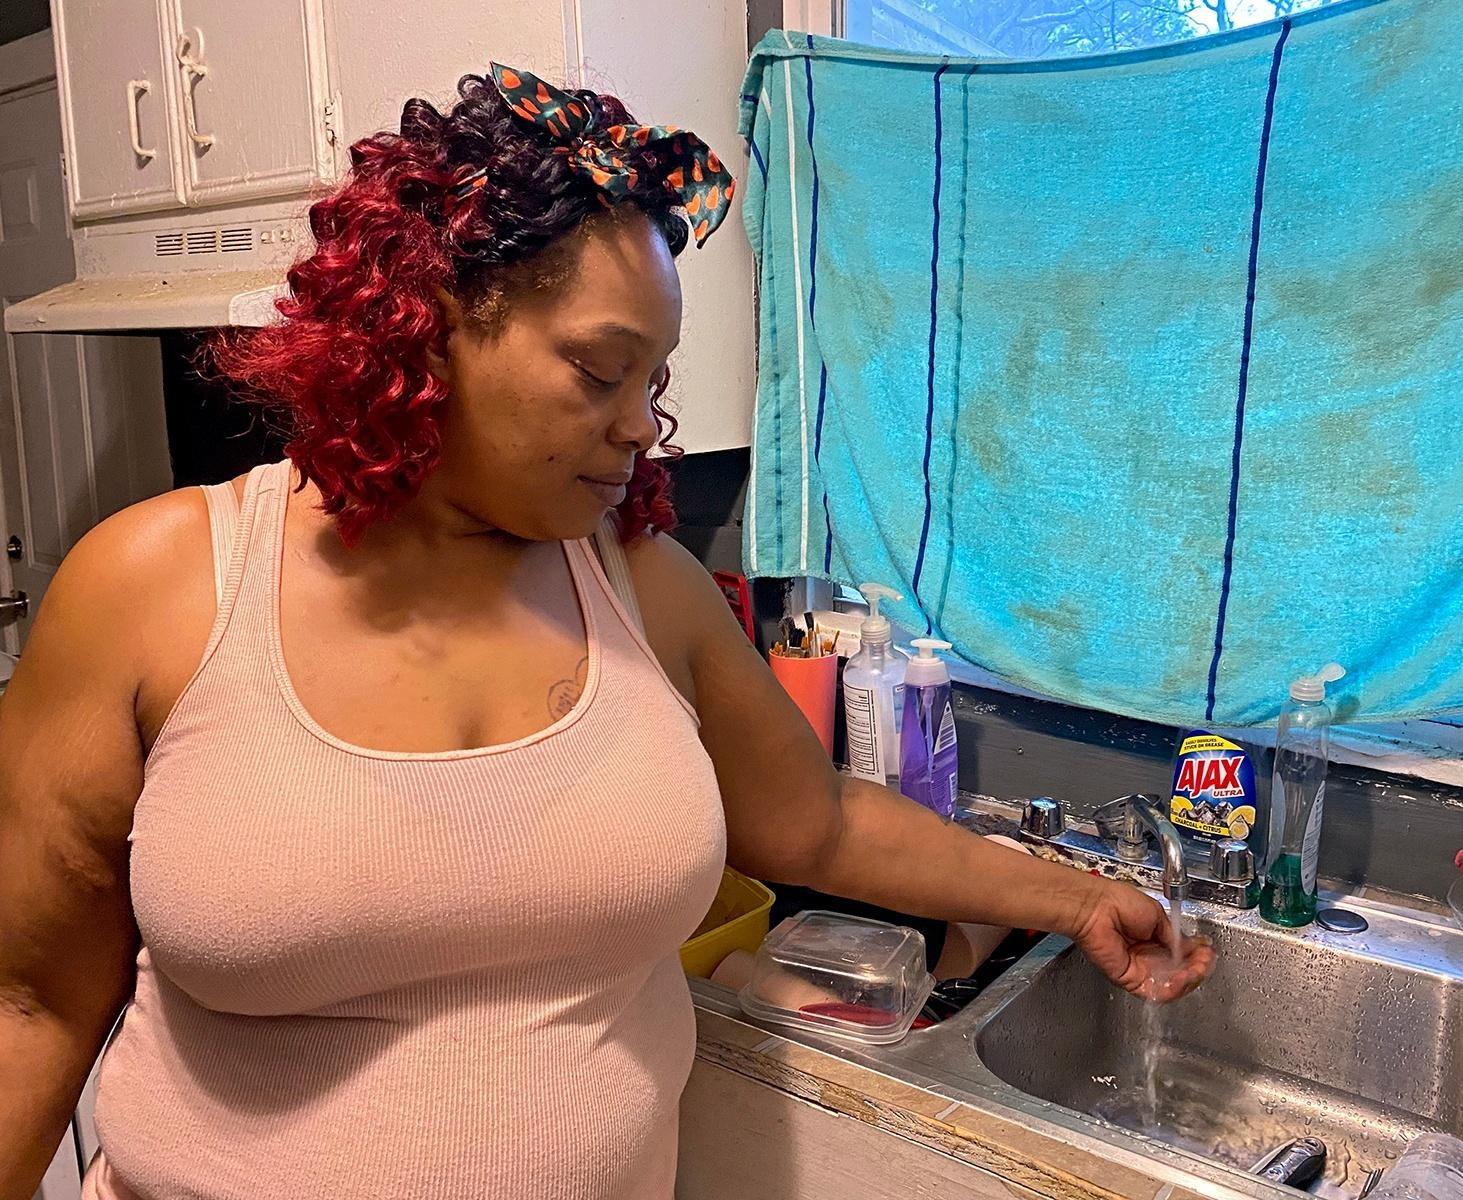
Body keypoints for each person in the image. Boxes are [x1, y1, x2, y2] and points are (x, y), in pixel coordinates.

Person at [0, 64, 1213, 1200]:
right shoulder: (157, 586)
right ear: (423, 326)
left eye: (656, 380)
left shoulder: (641, 587)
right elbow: (31, 1005)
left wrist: (1065, 898)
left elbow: (820, 820)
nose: (644, 428)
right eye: (598, 371)